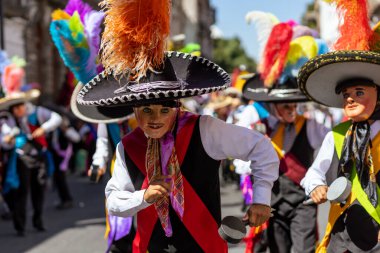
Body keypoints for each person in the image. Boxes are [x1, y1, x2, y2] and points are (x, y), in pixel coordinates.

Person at [72, 0, 279, 251]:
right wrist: (143, 197)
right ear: (135, 110)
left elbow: (261, 148)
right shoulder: (127, 146)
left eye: (163, 109)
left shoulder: (205, 129)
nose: (154, 118)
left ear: (177, 106)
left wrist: (261, 199)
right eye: (146, 110)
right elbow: (114, 200)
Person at [300, 1, 380, 252]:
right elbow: (313, 172)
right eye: (346, 94)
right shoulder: (336, 134)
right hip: (341, 235)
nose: (349, 99)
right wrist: (316, 186)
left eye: (359, 92)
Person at [0, 60, 62, 236]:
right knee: (22, 193)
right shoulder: (6, 120)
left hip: (38, 158)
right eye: (18, 106)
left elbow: (56, 119)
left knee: (39, 191)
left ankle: (38, 220)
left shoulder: (36, 112)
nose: (21, 109)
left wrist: (43, 128)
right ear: (13, 107)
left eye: (22, 105)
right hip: (21, 160)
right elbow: (4, 141)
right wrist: (9, 138)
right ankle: (20, 226)